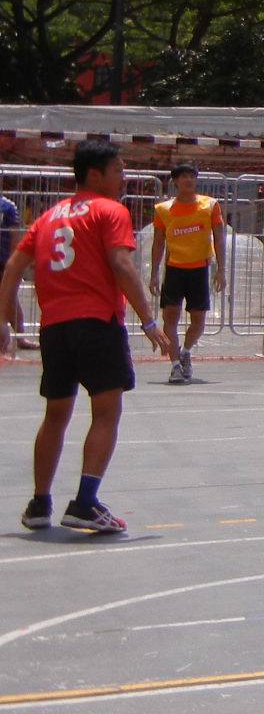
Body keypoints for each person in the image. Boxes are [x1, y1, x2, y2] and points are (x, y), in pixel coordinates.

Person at [2, 140, 171, 533]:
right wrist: (148, 319)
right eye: (119, 171)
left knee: (55, 415)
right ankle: (85, 501)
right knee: (106, 411)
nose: (124, 179)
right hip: (96, 322)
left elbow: (12, 267)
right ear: (95, 174)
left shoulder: (49, 217)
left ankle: (40, 502)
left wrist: (3, 321)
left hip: (55, 328)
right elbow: (120, 263)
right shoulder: (110, 211)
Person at [148, 164, 228, 385]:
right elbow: (158, 242)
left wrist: (221, 269)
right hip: (175, 269)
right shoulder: (163, 209)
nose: (189, 180)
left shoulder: (210, 205)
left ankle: (186, 351)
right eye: (184, 177)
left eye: (192, 176)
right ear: (175, 181)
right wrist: (154, 273)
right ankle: (174, 365)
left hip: (200, 269)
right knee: (170, 317)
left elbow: (219, 238)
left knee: (198, 321)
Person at [0, 191, 21, 356]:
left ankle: (20, 335)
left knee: (10, 297)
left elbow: (15, 234)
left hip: (2, 258)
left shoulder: (8, 206)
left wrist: (14, 259)